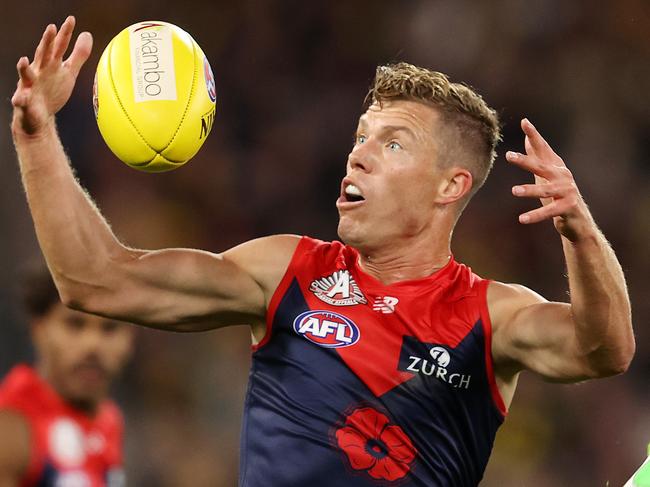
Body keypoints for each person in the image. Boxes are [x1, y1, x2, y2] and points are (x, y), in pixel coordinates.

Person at [10, 16, 634, 486]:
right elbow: (97, 280)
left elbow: (604, 349)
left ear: (451, 185)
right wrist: (38, 134)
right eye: (362, 136)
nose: (358, 153)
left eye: (393, 144)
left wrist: (580, 232)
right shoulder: (288, 272)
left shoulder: (489, 316)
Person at [0, 264, 134, 487]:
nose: (93, 345)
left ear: (130, 338)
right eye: (75, 325)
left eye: (110, 328)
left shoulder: (110, 420)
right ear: (39, 329)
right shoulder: (12, 424)